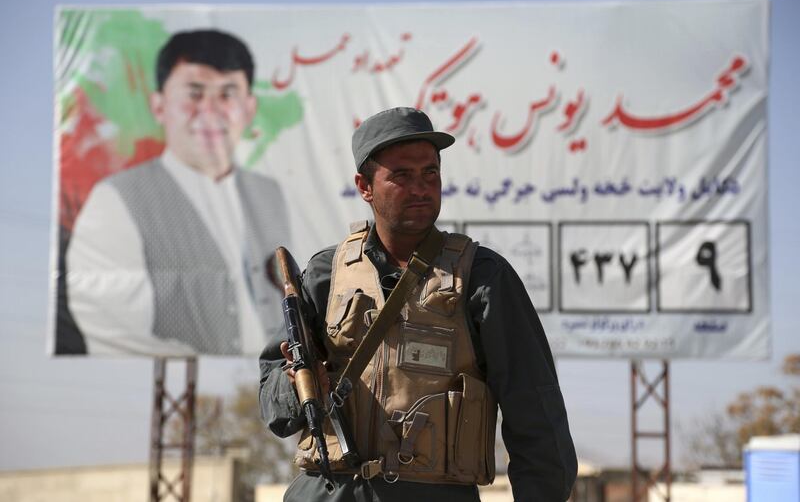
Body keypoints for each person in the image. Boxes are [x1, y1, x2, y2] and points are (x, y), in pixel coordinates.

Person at [260, 107, 577, 501]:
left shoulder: (482, 277)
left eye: (430, 173)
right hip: (328, 491)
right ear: (365, 186)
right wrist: (299, 386)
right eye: (401, 176)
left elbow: (536, 414)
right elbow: (273, 404)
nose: (421, 187)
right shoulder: (327, 274)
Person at [65, 29, 290, 355]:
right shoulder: (117, 198)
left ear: (249, 108)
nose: (210, 111)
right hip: (191, 385)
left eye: (227, 95)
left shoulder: (270, 195)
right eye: (194, 94)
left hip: (277, 386)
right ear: (159, 105)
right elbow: (106, 322)